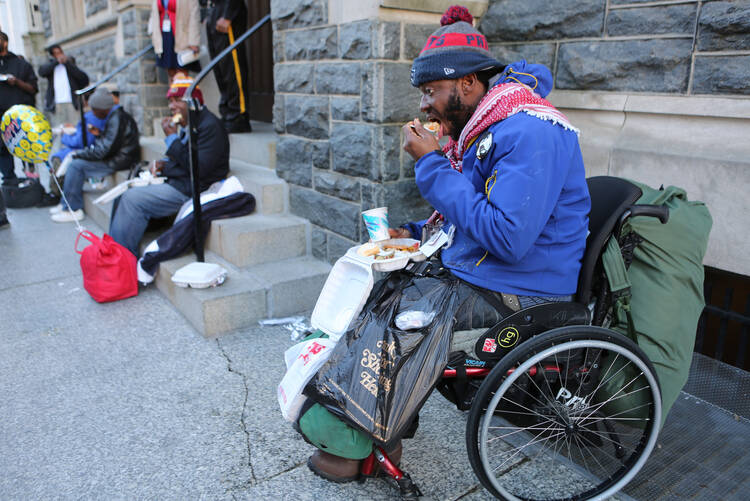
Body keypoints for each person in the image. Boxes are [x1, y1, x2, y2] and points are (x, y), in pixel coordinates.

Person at [299, 5, 591, 483]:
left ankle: (361, 444)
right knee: (383, 291)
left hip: (524, 285)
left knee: (407, 316)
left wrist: (433, 165)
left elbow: (507, 237)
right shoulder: (488, 124)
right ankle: (373, 434)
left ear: (469, 83)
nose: (424, 105)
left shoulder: (530, 130)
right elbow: (469, 214)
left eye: (431, 91)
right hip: (485, 269)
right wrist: (413, 233)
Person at [109, 74, 229, 256]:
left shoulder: (210, 126)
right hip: (181, 181)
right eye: (170, 101)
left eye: (178, 100)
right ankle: (113, 253)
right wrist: (163, 164)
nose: (172, 106)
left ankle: (122, 262)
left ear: (193, 102)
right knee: (123, 194)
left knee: (132, 200)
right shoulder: (188, 123)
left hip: (194, 188)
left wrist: (172, 140)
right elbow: (182, 160)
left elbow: (199, 169)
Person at [51, 87, 139, 222]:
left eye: (94, 110)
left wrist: (79, 154)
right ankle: (66, 203)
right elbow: (109, 143)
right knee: (75, 162)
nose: (92, 113)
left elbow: (104, 150)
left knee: (76, 165)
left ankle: (72, 209)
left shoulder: (117, 119)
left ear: (102, 109)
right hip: (116, 156)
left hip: (120, 160)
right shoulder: (115, 116)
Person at [203, 0, 252, 133]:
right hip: (215, 9)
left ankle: (239, 115)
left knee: (232, 66)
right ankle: (228, 112)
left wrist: (228, 15)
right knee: (220, 68)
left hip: (227, 9)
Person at [0, 30, 38, 188]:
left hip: (20, 116)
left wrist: (16, 82)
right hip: (1, 117)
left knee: (26, 146)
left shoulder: (21, 64)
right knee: (2, 149)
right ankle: (9, 180)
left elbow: (33, 88)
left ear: (5, 42)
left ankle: (32, 178)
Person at [148, 0, 202, 81]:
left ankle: (181, 93)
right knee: (171, 73)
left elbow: (194, 15)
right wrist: (152, 32)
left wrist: (193, 41)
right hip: (165, 36)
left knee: (181, 73)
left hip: (182, 37)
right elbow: (153, 14)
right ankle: (174, 92)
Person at [38, 44, 89, 127]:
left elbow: (83, 79)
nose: (59, 55)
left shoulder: (69, 63)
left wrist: (67, 64)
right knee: (60, 128)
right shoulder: (50, 66)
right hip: (56, 104)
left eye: (60, 52)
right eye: (56, 53)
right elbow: (42, 72)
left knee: (75, 126)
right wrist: (56, 62)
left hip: (72, 102)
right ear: (52, 55)